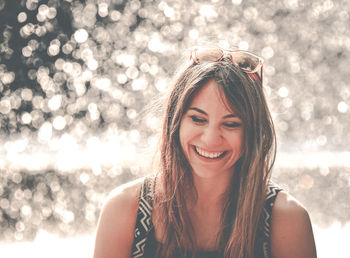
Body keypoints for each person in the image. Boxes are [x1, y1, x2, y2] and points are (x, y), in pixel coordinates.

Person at [93, 46, 317, 258]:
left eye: (231, 124)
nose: (210, 139)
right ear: (175, 121)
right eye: (198, 119)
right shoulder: (125, 210)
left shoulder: (287, 220)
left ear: (253, 132)